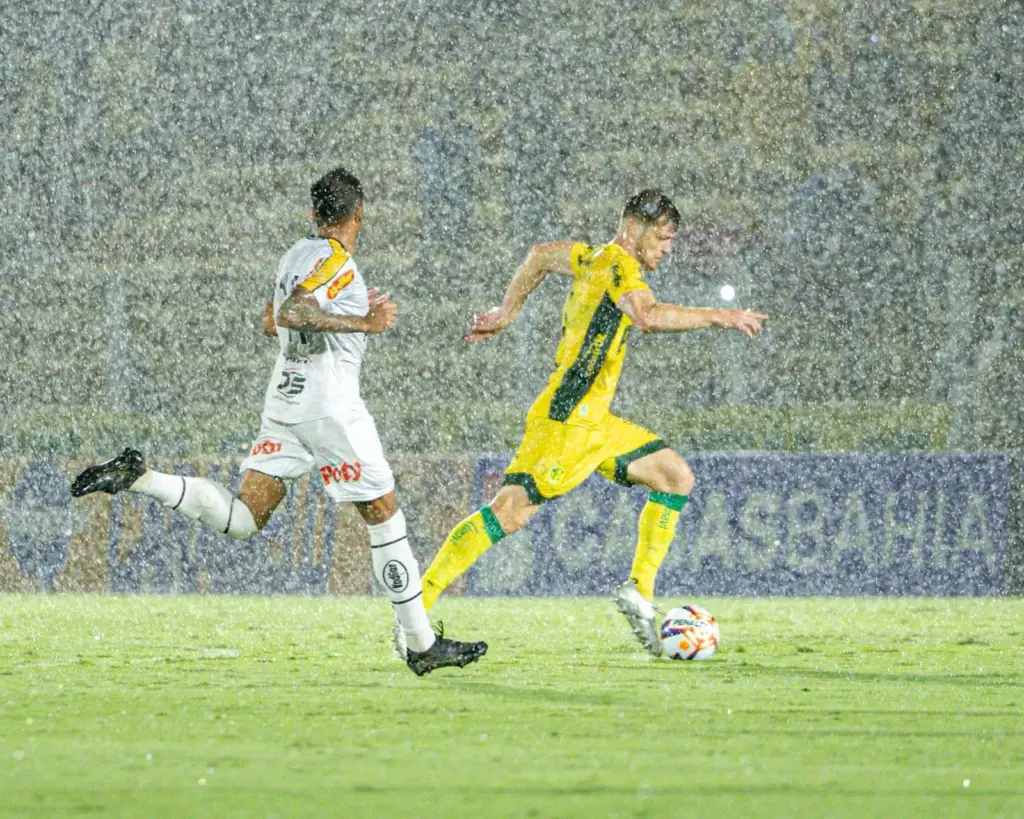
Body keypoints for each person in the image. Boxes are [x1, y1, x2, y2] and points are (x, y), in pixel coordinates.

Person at [71, 166, 487, 676]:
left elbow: (271, 320)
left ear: (314, 214)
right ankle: (420, 644)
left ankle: (142, 478)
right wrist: (364, 322)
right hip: (328, 405)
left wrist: (343, 310)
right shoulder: (336, 261)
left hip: (285, 400)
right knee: (385, 515)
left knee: (245, 516)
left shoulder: (296, 255)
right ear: (359, 214)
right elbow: (291, 313)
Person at [419, 189, 768, 654]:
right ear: (637, 229)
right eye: (664, 238)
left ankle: (639, 594)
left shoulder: (590, 258)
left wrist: (508, 310)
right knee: (510, 513)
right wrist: (719, 317)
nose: (668, 249)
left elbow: (541, 257)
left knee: (674, 477)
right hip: (567, 421)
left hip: (595, 422)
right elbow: (646, 315)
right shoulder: (622, 265)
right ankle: (413, 613)